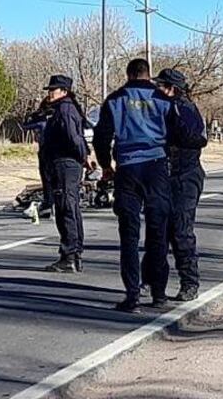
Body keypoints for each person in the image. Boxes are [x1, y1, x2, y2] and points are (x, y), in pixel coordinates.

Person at [94, 58, 174, 313]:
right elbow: (175, 132)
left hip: (127, 168)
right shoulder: (163, 99)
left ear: (128, 74)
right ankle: (159, 294)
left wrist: (106, 165)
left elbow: (102, 137)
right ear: (148, 74)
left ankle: (132, 295)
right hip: (156, 166)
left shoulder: (115, 99)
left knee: (128, 234)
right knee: (157, 231)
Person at [154, 69, 208, 302]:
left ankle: (189, 282)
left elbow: (197, 139)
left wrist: (171, 133)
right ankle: (153, 281)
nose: (157, 90)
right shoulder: (163, 109)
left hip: (185, 176)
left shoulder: (183, 108)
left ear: (171, 88)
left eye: (161, 86)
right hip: (165, 176)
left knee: (180, 231)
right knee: (159, 232)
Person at [38, 75, 91, 273]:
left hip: (66, 164)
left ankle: (70, 254)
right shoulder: (62, 109)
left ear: (64, 91)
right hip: (64, 163)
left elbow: (73, 137)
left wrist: (84, 156)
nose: (50, 93)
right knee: (69, 207)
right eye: (50, 89)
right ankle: (73, 253)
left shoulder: (65, 109)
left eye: (54, 89)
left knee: (66, 208)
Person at [22, 96, 54, 213]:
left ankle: (49, 202)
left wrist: (30, 113)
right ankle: (54, 202)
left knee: (47, 178)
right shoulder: (57, 116)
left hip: (45, 150)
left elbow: (25, 126)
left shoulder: (41, 120)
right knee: (55, 179)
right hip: (57, 151)